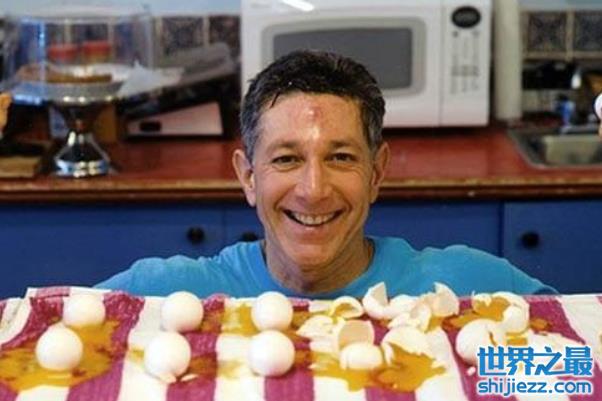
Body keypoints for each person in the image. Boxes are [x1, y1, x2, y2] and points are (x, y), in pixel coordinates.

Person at [96, 50, 555, 298]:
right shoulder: (160, 296)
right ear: (248, 177)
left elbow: (568, 376)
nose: (313, 190)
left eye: (341, 158)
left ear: (376, 173)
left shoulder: (471, 288)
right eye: (286, 159)